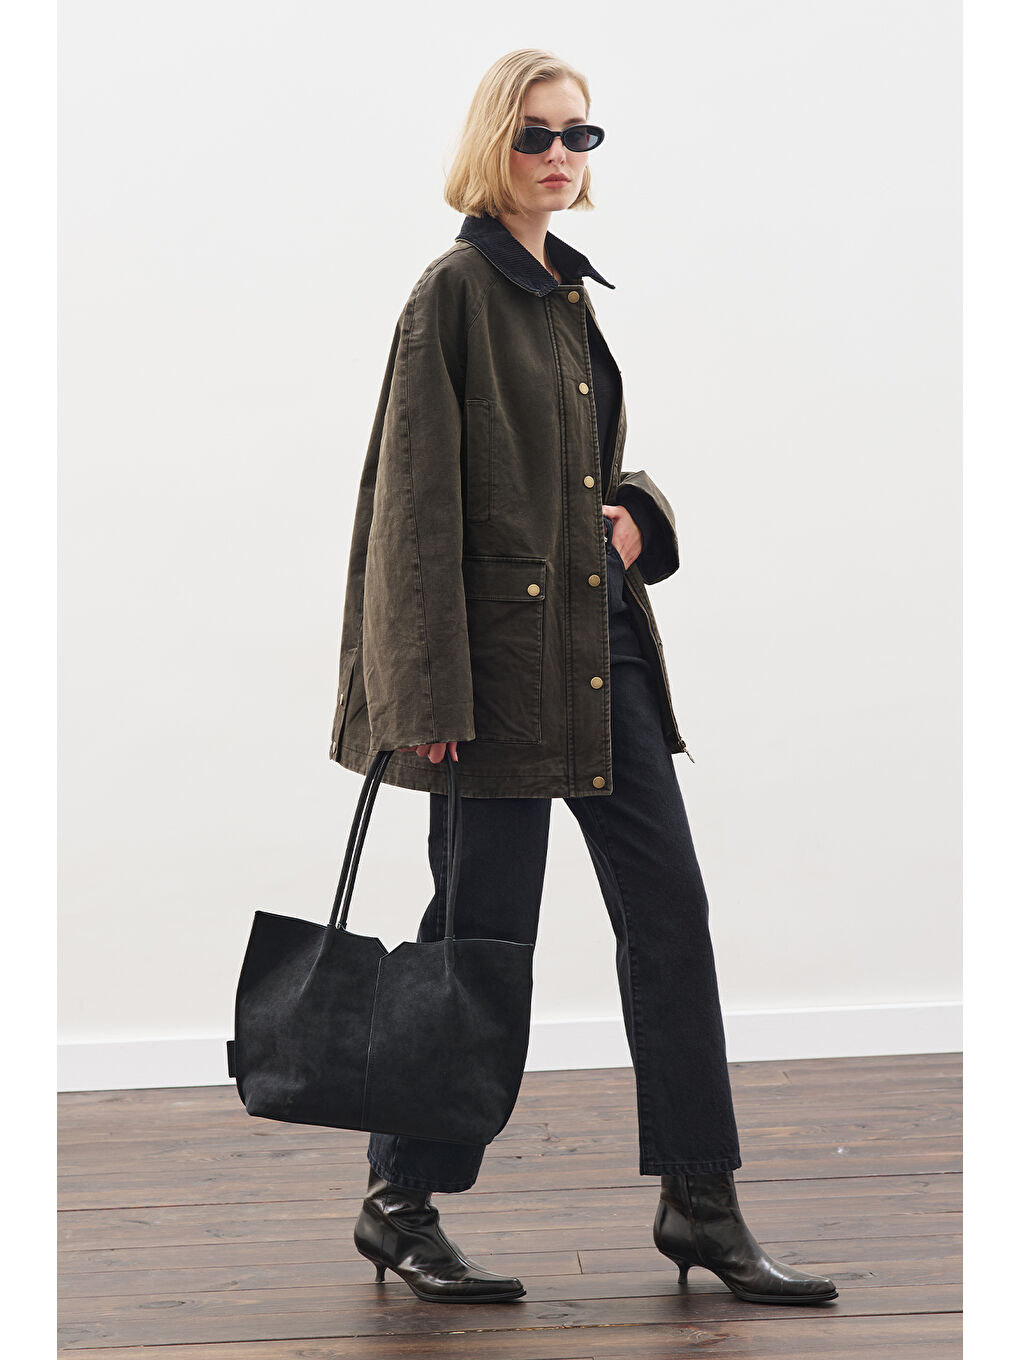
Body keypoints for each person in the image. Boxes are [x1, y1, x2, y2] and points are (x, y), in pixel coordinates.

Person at [329, 49, 838, 1308]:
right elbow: (411, 512)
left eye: (579, 135)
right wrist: (427, 701)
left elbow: (585, 475)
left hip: (604, 661)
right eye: (537, 135)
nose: (560, 155)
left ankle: (701, 1200)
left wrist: (637, 516)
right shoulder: (453, 292)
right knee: (480, 942)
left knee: (670, 918)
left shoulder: (567, 290)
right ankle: (400, 1201)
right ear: (491, 144)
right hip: (495, 682)